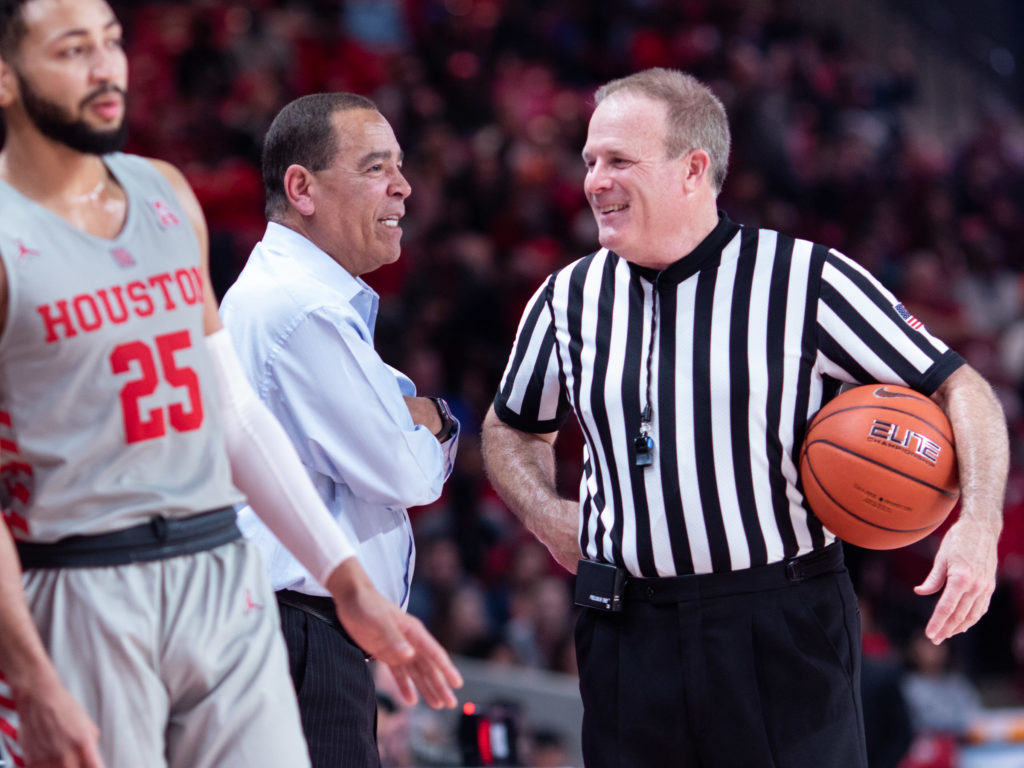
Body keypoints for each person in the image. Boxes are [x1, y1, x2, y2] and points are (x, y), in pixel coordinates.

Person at [480, 67, 1008, 768]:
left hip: (779, 621)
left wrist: (978, 524)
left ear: (692, 169)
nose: (595, 181)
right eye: (590, 161)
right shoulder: (566, 298)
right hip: (625, 629)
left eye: (619, 161)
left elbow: (960, 387)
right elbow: (511, 426)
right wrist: (545, 513)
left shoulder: (806, 280)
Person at [0, 2, 460, 767]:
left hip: (218, 586)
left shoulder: (163, 195)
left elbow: (238, 416)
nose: (106, 66)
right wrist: (29, 672)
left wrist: (348, 581)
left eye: (111, 42)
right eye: (74, 49)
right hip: (79, 583)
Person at [219, 92, 459, 768]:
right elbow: (405, 471)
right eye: (376, 168)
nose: (403, 187)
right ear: (303, 189)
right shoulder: (301, 309)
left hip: (294, 637)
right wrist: (438, 421)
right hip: (296, 640)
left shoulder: (292, 298)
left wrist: (411, 415)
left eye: (400, 166)